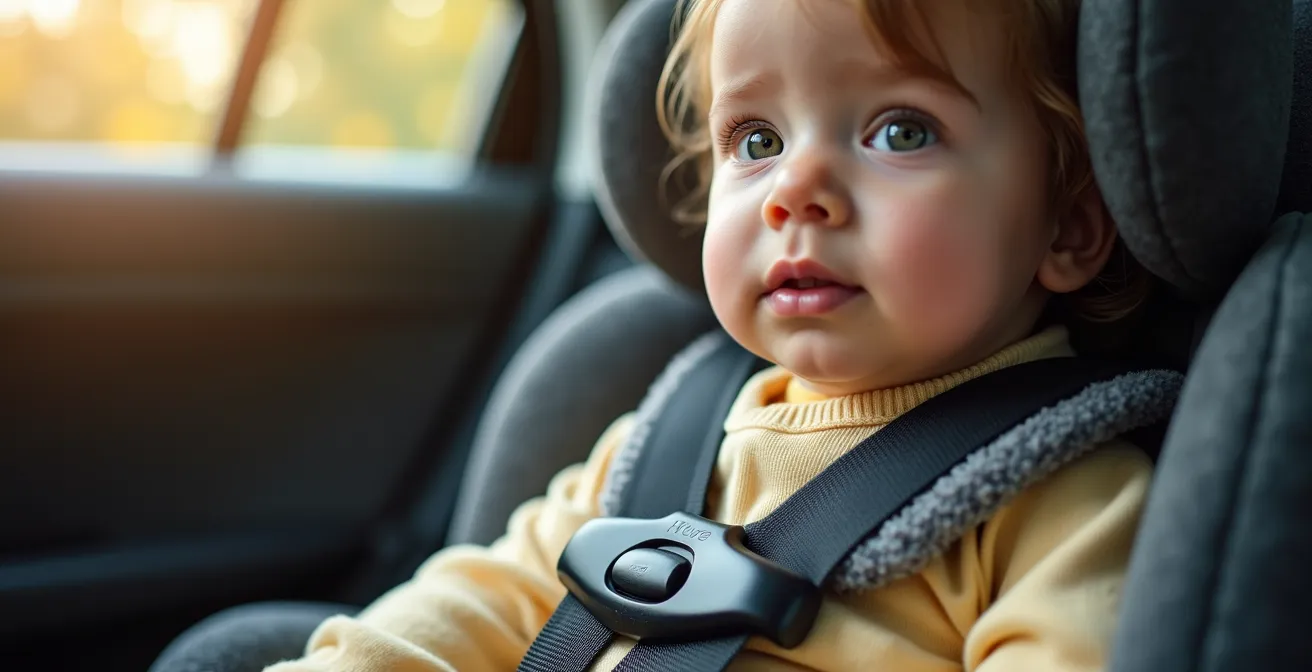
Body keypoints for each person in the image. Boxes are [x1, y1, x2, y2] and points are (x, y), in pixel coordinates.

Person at [266, 0, 1156, 669]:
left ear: (1067, 228)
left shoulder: (1069, 499)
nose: (793, 189)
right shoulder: (669, 436)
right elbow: (488, 600)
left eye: (900, 129)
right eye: (757, 138)